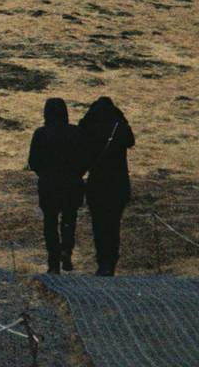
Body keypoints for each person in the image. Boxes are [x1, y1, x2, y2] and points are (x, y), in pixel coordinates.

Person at [78, 95, 136, 275]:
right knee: (113, 225)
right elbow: (131, 141)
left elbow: (80, 140)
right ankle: (111, 262)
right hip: (118, 184)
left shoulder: (90, 128)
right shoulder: (121, 128)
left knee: (99, 225)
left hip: (97, 184)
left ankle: (102, 262)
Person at [27, 98, 85, 272]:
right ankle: (67, 249)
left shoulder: (40, 133)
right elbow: (85, 158)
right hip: (72, 184)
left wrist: (44, 174)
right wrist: (77, 174)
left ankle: (53, 263)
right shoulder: (76, 132)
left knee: (50, 222)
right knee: (69, 219)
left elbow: (33, 161)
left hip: (49, 185)